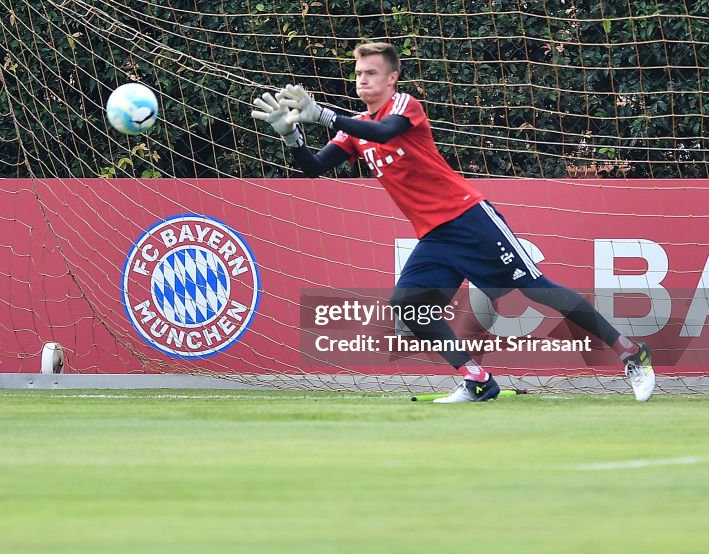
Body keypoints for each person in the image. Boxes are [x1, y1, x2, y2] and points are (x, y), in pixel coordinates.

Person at [252, 41, 656, 403]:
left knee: (538, 290)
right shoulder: (355, 129)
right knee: (408, 308)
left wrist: (322, 115)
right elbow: (314, 168)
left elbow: (387, 132)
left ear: (392, 78)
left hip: (468, 218)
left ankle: (630, 352)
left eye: (371, 73)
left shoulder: (403, 106)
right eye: (358, 74)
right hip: (434, 237)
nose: (362, 80)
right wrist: (290, 136)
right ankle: (477, 380)